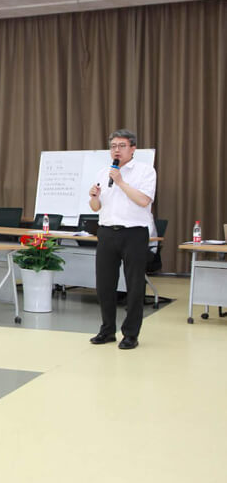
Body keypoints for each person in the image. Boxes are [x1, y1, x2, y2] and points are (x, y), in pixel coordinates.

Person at [88, 129, 156, 351]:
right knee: (104, 284)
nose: (116, 150)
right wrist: (94, 197)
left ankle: (130, 334)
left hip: (134, 233)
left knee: (134, 285)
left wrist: (121, 182)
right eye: (113, 146)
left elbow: (144, 201)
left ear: (133, 148)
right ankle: (107, 330)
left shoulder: (145, 171)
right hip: (107, 232)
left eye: (122, 146)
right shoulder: (103, 172)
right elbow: (96, 208)